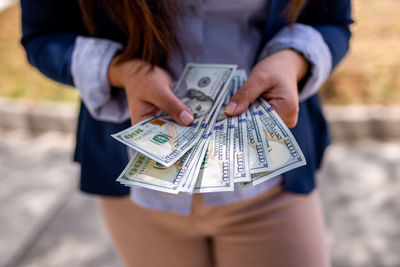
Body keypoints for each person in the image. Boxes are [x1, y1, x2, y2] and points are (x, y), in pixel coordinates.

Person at [20, 0, 352, 266]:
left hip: (269, 186)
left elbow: (333, 20)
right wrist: (121, 70)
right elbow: (45, 35)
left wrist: (291, 61)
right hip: (136, 192)